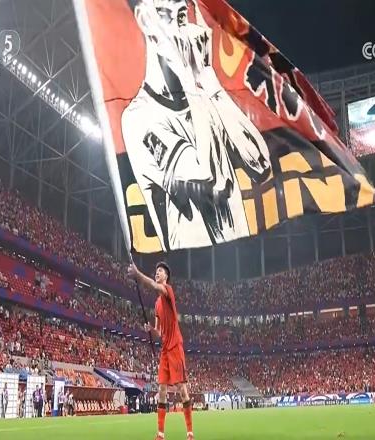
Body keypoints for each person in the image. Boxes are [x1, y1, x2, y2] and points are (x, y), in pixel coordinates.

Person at [122, 0, 271, 252]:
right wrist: (191, 81)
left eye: (182, 17)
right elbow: (207, 181)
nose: (179, 31)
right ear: (146, 21)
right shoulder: (138, 118)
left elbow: (261, 164)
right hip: (193, 268)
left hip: (241, 260)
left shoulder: (205, 96)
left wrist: (208, 80)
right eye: (166, 16)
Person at [128, 261, 193, 440]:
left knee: (182, 390)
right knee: (162, 390)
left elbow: (153, 285)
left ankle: (190, 432)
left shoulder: (167, 291)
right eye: (156, 270)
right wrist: (151, 329)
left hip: (175, 346)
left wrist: (138, 275)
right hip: (164, 348)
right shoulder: (157, 304)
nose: (157, 272)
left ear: (166, 276)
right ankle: (160, 434)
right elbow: (159, 332)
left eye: (161, 271)